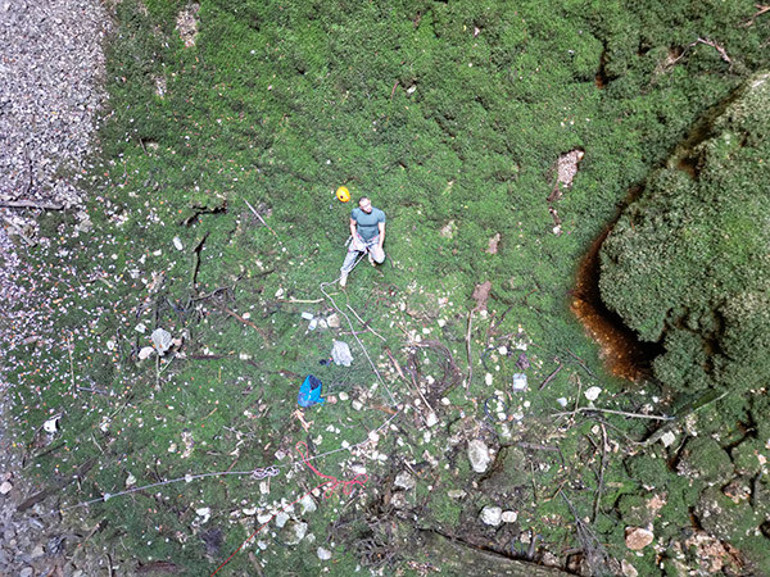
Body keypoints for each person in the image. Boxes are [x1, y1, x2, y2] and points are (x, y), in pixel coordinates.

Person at [339, 196, 385, 287]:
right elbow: (352, 225)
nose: (368, 207)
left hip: (373, 240)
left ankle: (370, 252)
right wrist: (355, 240)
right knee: (351, 254)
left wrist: (379, 247)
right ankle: (344, 273)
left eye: (368, 204)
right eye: (364, 206)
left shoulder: (379, 214)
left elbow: (382, 231)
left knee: (380, 259)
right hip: (360, 239)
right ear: (361, 207)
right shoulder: (355, 213)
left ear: (370, 202)